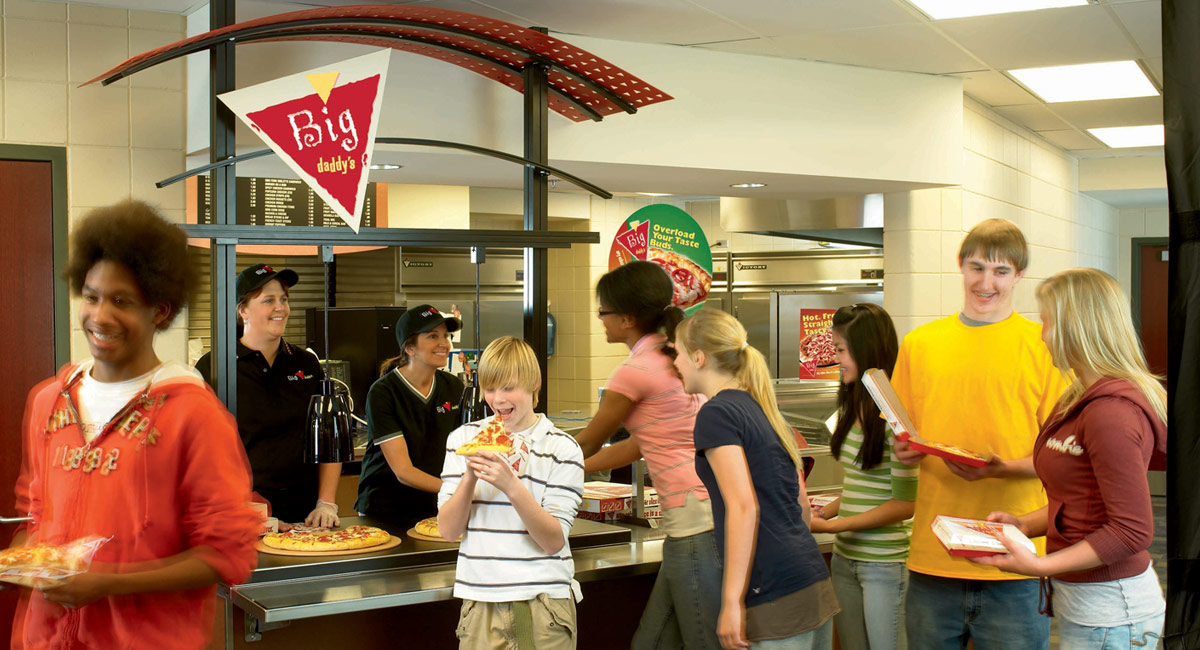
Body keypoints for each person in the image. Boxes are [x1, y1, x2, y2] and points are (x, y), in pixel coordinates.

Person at [10, 200, 260, 649]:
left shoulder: (195, 416)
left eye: (120, 301)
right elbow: (38, 513)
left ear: (160, 311)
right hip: (44, 640)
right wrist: (27, 559)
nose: (99, 316)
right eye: (91, 296)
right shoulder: (48, 400)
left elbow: (228, 554)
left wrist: (108, 581)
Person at [890, 218, 1069, 649]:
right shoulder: (920, 344)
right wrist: (905, 451)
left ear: (1019, 275)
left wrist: (1000, 469)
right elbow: (903, 438)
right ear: (960, 266)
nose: (986, 282)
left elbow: (1064, 457)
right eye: (976, 267)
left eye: (1001, 271)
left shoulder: (1045, 346)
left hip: (1017, 559)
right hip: (933, 556)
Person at [971, 268, 1167, 649]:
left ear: (1073, 327)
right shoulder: (1076, 397)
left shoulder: (1111, 412)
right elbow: (1081, 500)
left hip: (1114, 613)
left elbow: (1132, 530)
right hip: (1085, 605)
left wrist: (1038, 565)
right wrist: (1022, 524)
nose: (1041, 335)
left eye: (1046, 322)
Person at [672, 309, 838, 650]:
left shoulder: (716, 414)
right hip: (811, 582)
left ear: (699, 358)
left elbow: (744, 507)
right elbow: (801, 508)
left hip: (773, 592)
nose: (675, 363)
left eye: (677, 352)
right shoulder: (763, 406)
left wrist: (731, 601)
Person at [575, 261, 720, 650]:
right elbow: (642, 443)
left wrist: (530, 460)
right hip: (700, 514)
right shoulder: (676, 354)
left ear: (626, 318)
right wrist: (575, 471)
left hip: (693, 519)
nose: (600, 320)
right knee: (652, 641)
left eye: (602, 311)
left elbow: (589, 440)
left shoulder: (634, 370)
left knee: (704, 640)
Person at [438, 336, 585, 650]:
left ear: (535, 384)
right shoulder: (463, 439)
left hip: (542, 603)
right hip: (478, 600)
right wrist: (469, 476)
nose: (498, 400)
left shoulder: (561, 448)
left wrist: (511, 485)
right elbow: (449, 531)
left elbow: (552, 540)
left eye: (508, 388)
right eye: (490, 389)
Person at [195, 263, 340, 527]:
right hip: (241, 514)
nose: (280, 308)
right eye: (268, 300)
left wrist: (326, 502)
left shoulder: (306, 364)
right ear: (243, 310)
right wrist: (246, 511)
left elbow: (328, 436)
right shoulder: (215, 367)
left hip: (306, 516)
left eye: (284, 299)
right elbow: (201, 454)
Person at [808, 303, 915, 650]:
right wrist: (826, 510)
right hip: (845, 558)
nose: (837, 359)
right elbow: (863, 483)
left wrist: (832, 526)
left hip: (884, 562)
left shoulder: (894, 414)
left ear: (867, 349)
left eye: (841, 350)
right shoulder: (854, 404)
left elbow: (904, 504)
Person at [355, 304, 465, 530]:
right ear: (410, 348)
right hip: (385, 511)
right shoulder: (383, 392)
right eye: (433, 336)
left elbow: (464, 448)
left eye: (446, 335)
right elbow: (403, 472)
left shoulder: (453, 387)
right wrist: (460, 488)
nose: (444, 343)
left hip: (435, 506)